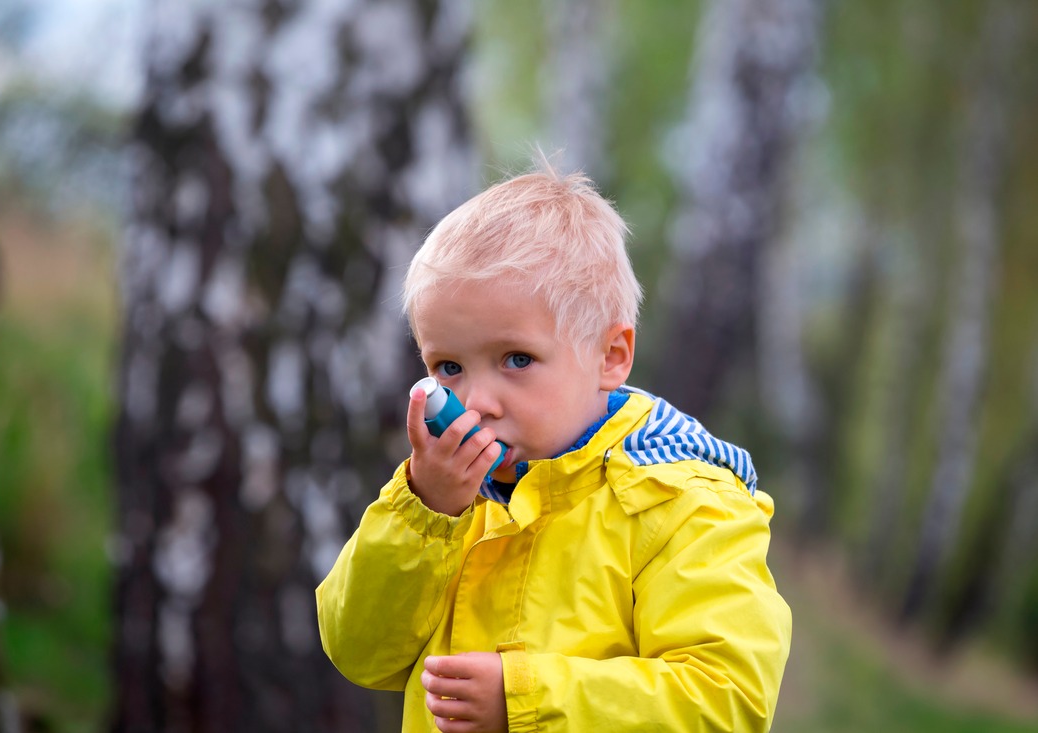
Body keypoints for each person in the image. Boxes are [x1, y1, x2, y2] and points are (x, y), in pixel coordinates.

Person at [316, 157, 792, 732]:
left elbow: (726, 702)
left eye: (517, 359)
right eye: (449, 367)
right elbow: (358, 651)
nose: (476, 401)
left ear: (610, 357)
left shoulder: (680, 501)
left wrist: (525, 701)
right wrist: (424, 513)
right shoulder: (445, 502)